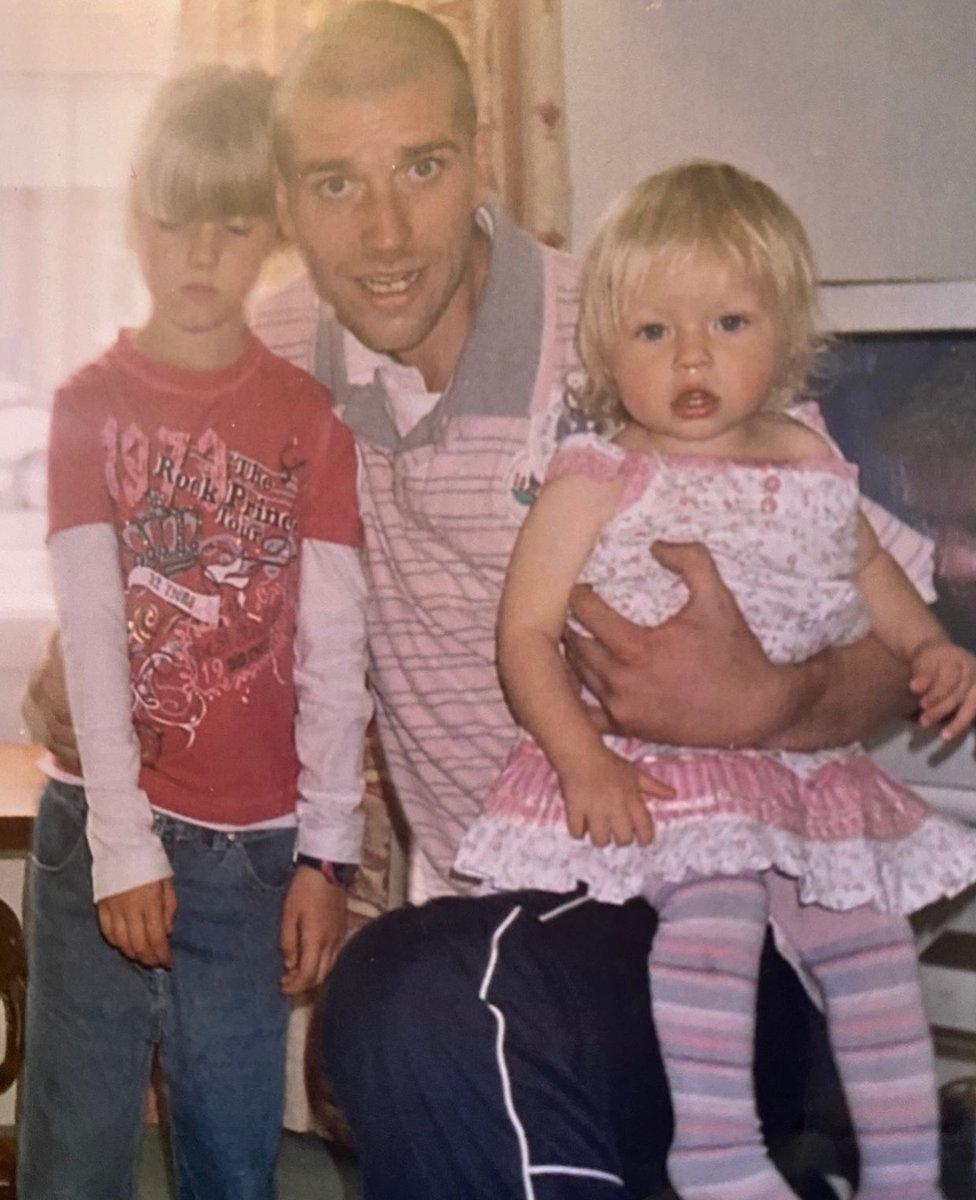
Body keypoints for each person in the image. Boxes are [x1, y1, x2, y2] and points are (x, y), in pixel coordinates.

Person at [23, 6, 940, 1198]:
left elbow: (888, 632)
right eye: (335, 184)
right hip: (484, 921)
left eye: (421, 166)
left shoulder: (626, 340)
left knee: (415, 999)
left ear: (480, 164)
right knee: (410, 1003)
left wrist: (776, 697)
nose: (388, 230)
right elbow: (142, 485)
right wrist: (86, 653)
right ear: (286, 208)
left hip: (711, 913)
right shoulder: (274, 355)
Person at [455, 161, 976, 1200]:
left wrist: (929, 647)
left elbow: (866, 566)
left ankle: (908, 1179)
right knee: (716, 914)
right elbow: (523, 634)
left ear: (785, 335)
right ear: (606, 350)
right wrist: (581, 760)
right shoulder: (600, 475)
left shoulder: (807, 452)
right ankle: (717, 1149)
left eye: (729, 323)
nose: (691, 356)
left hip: (805, 774)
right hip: (667, 774)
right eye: (653, 332)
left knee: (871, 952)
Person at [18, 65, 371, 1200]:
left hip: (254, 858)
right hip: (101, 830)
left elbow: (333, 660)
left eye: (231, 224)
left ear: (272, 224)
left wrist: (327, 856)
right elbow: (95, 641)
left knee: (231, 1157)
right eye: (174, 222)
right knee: (75, 1157)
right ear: (135, 222)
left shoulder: (313, 425)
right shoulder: (86, 407)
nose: (201, 255)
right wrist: (123, 846)